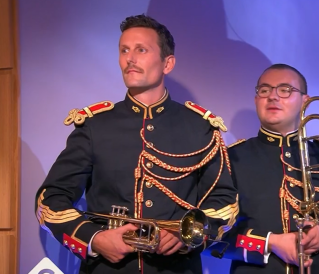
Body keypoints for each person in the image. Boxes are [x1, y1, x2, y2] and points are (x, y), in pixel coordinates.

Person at [34, 14, 238, 274]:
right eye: (124, 50)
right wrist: (94, 239)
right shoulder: (95, 126)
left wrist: (187, 235)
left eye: (141, 50)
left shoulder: (200, 126)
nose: (130, 58)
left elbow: (224, 202)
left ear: (168, 63)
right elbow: (50, 200)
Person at [205, 63, 319, 273]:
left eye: (285, 90)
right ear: (256, 99)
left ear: (305, 101)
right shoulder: (229, 158)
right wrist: (269, 243)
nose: (273, 97)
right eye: (265, 90)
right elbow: (206, 236)